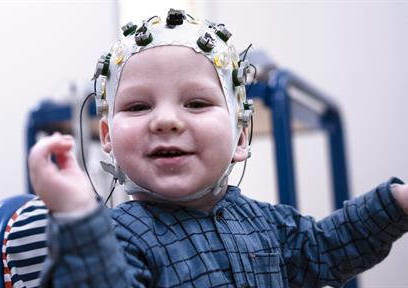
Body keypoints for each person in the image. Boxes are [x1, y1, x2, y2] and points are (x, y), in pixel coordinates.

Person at [28, 9, 408, 287]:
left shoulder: (268, 225)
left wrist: (396, 202)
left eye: (195, 103)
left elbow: (326, 247)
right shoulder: (116, 239)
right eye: (138, 106)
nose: (165, 120)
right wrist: (78, 216)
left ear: (240, 138)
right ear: (108, 136)